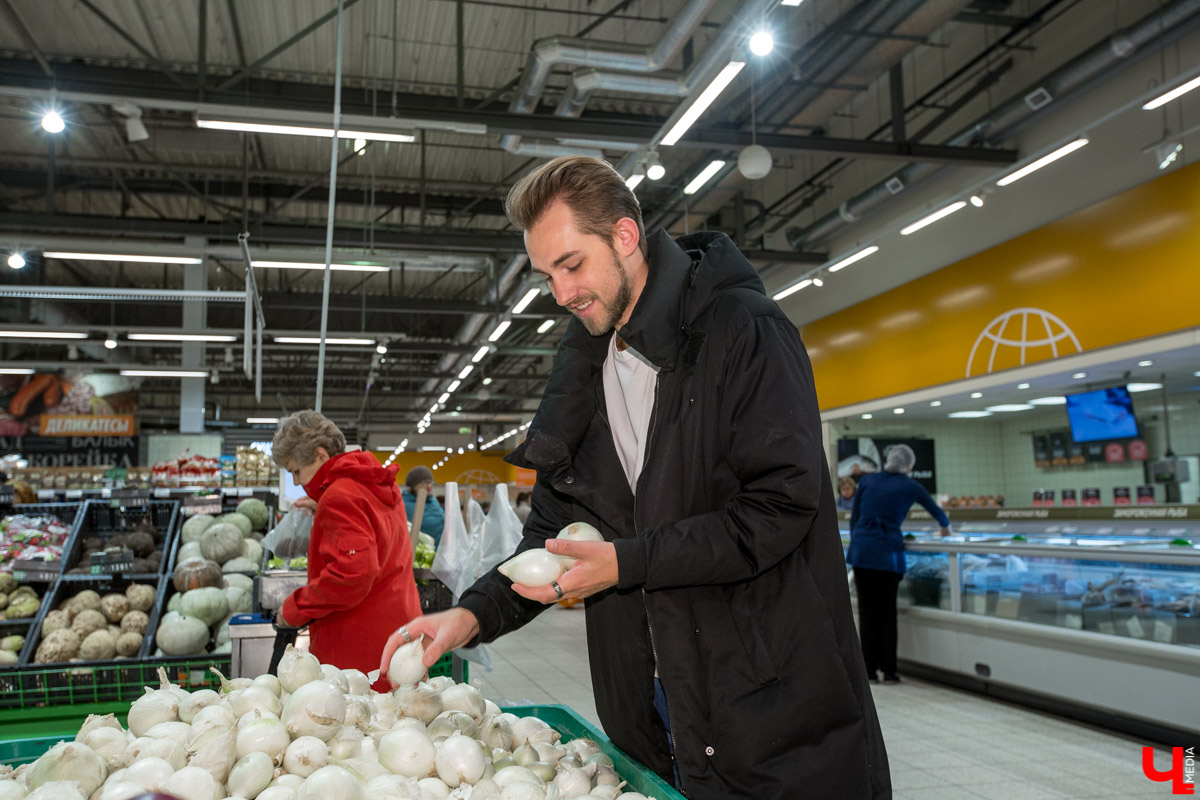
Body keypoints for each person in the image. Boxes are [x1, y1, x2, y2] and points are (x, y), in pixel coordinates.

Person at [382, 156, 890, 800]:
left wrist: (626, 561)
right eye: (547, 276)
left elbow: (780, 508)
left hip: (764, 708)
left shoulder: (744, 332)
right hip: (651, 711)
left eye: (572, 265)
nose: (562, 293)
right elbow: (548, 537)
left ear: (625, 236)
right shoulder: (585, 368)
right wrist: (470, 616)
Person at [271, 410, 422, 686]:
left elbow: (353, 574)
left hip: (361, 652)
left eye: (296, 470)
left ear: (319, 455)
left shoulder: (339, 496)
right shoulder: (374, 483)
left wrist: (295, 608)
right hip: (400, 634)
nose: (296, 482)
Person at [847, 444, 951, 685]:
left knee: (866, 613)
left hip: (862, 552)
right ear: (909, 465)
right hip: (888, 554)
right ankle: (890, 672)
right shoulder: (910, 486)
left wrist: (861, 541)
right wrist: (946, 528)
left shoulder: (868, 481)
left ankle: (869, 671)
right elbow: (938, 513)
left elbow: (854, 519)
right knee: (887, 613)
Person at [400, 465, 446, 546]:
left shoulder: (433, 501)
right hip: (422, 553)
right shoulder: (404, 505)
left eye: (430, 482)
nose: (429, 485)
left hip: (441, 549)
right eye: (425, 482)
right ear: (414, 485)